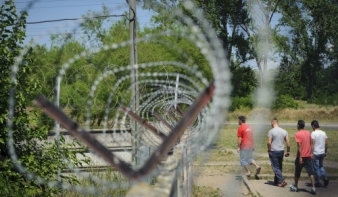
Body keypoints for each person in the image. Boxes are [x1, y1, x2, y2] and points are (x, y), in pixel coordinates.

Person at [289, 120, 316, 194]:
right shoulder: (308, 133)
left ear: (298, 125)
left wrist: (300, 157)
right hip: (308, 156)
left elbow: (299, 146)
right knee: (311, 172)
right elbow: (311, 143)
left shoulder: (297, 134)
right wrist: (311, 153)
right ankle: (313, 187)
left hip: (301, 157)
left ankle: (296, 186)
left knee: (297, 172)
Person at [267, 118, 290, 187]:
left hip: (274, 150)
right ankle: (276, 181)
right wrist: (288, 151)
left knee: (275, 167)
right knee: (279, 166)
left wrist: (269, 150)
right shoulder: (284, 131)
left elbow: (269, 142)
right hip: (281, 150)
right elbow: (288, 143)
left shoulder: (271, 131)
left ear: (272, 123)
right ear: (278, 123)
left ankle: (282, 180)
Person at [311, 120, 329, 187]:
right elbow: (326, 143)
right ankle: (325, 177)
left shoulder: (313, 133)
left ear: (313, 126)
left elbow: (312, 143)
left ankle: (318, 182)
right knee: (321, 166)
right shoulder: (324, 133)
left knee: (316, 168)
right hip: (322, 152)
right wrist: (326, 151)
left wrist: (311, 152)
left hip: (316, 153)